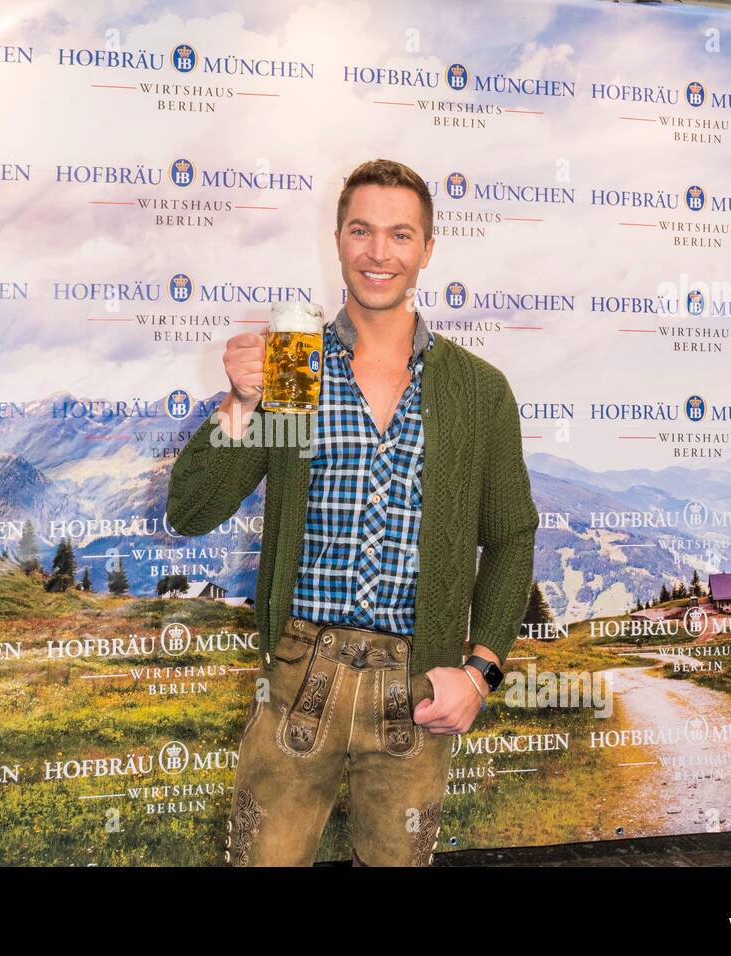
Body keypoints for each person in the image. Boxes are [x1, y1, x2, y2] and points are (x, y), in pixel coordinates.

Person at [165, 158, 538, 866]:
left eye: (401, 235)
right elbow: (192, 511)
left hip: (416, 690)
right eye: (362, 230)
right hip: (299, 678)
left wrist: (480, 671)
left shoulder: (477, 392)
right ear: (337, 239)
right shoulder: (295, 368)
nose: (379, 252)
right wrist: (243, 405)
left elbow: (512, 538)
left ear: (428, 250)